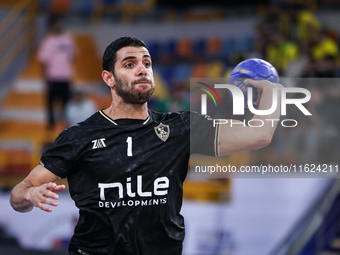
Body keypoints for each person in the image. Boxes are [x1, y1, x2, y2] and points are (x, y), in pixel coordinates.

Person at [10, 37, 282, 255]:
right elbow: (18, 195)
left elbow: (259, 135)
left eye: (147, 63)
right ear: (109, 79)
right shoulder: (79, 136)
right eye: (129, 64)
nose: (142, 69)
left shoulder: (181, 127)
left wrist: (271, 92)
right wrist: (31, 196)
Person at [37, 15, 77, 128]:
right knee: (51, 105)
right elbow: (44, 61)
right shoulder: (47, 41)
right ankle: (51, 128)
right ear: (52, 25)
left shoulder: (68, 39)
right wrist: (45, 78)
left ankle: (65, 126)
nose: (59, 25)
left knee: (67, 104)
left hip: (65, 77)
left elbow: (73, 56)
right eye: (56, 23)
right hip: (53, 77)